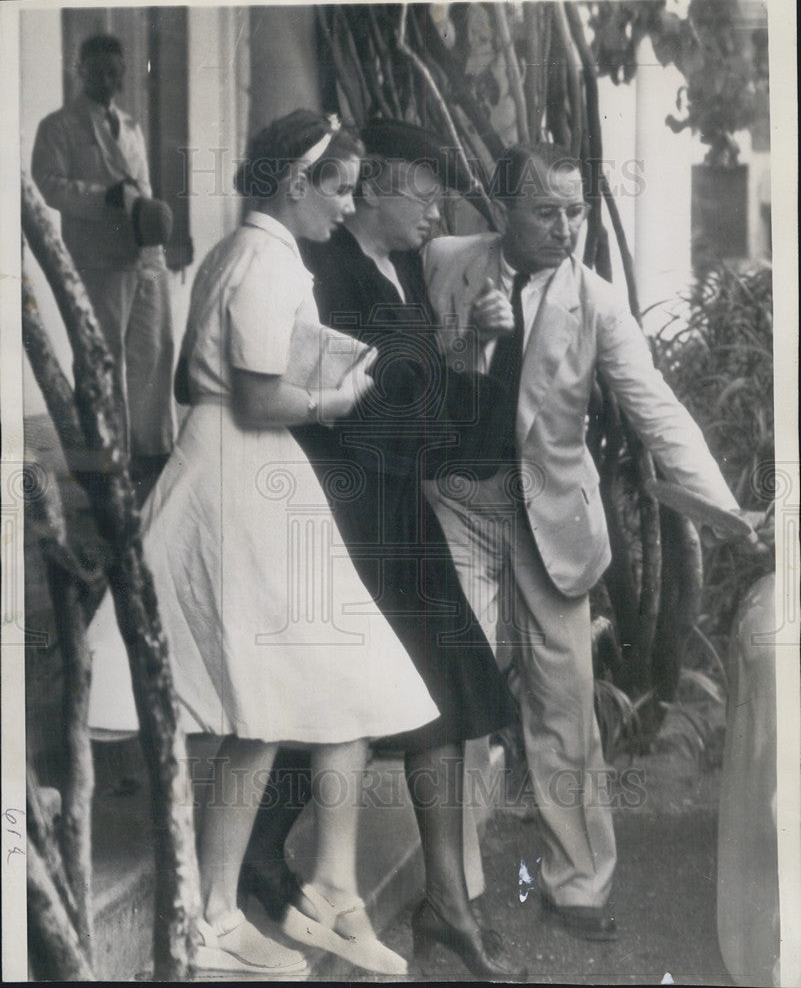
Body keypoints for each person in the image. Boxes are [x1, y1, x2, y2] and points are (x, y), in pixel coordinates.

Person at [86, 110, 440, 977]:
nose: (344, 208)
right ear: (296, 184)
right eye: (340, 191)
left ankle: (319, 891)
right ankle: (212, 915)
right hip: (241, 476)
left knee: (328, 675)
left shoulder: (228, 254)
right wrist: (332, 399)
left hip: (243, 469)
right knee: (260, 698)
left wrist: (296, 383)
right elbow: (253, 401)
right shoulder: (270, 263)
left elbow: (186, 379)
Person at [422, 141, 765, 941]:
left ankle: (577, 886)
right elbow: (413, 374)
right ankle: (456, 888)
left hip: (553, 519)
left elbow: (654, 410)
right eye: (547, 211)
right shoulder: (443, 259)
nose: (567, 228)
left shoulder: (597, 303)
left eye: (576, 210)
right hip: (459, 504)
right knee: (454, 689)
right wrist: (467, 339)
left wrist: (725, 512)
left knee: (564, 701)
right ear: (502, 207)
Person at [240, 120, 526, 980]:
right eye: (423, 193)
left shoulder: (396, 269)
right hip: (345, 515)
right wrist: (463, 374)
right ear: (366, 194)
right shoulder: (319, 273)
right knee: (344, 709)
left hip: (395, 512)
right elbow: (343, 403)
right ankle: (258, 859)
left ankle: (447, 904)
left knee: (438, 700)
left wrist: (480, 348)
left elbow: (429, 410)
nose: (436, 210)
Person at [31, 34, 174, 497]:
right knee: (101, 356)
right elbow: (48, 186)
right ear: (80, 70)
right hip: (97, 258)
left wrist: (152, 221)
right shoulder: (58, 126)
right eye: (98, 71)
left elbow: (145, 185)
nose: (108, 79)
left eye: (116, 71)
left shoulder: (130, 126)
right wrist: (104, 198)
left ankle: (151, 453)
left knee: (153, 351)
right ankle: (104, 458)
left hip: (144, 255)